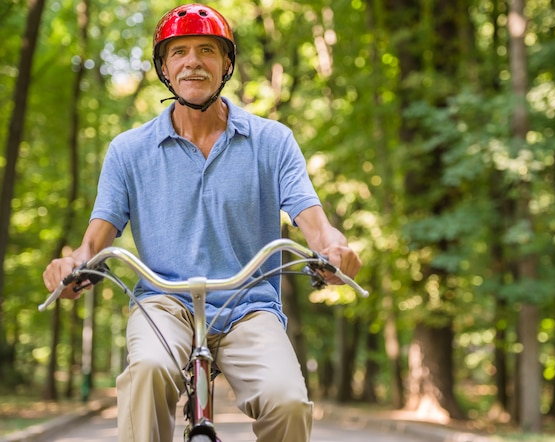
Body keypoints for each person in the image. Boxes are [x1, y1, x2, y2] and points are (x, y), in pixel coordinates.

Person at [42, 3, 361, 442]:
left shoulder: (272, 141)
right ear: (165, 68)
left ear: (226, 64)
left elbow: (317, 225)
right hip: (163, 303)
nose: (193, 61)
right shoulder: (128, 150)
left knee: (287, 400)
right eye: (179, 52)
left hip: (248, 305)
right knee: (148, 372)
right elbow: (92, 242)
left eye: (207, 50)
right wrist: (72, 265)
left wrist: (334, 249)